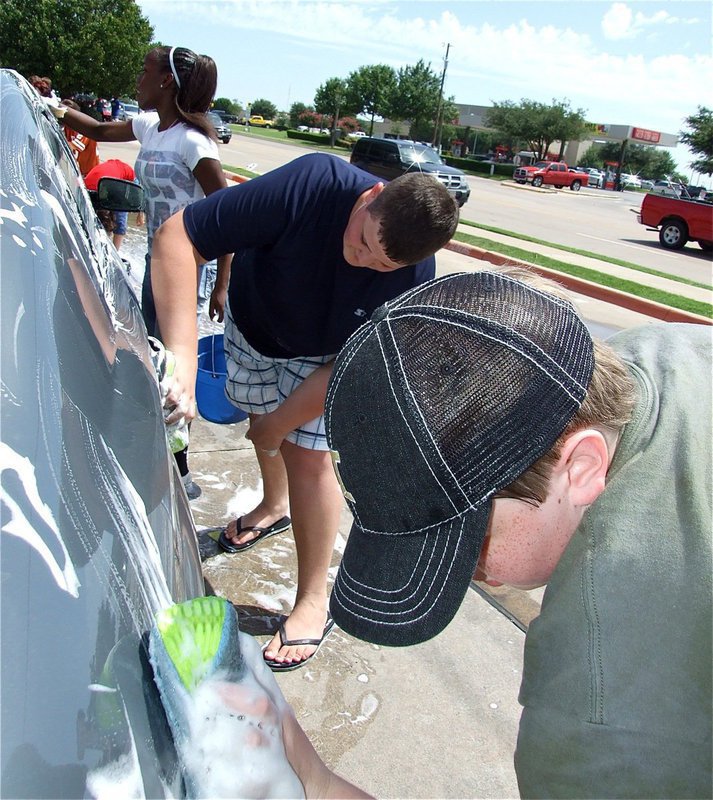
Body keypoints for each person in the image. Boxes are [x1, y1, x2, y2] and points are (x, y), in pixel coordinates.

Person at [293, 267, 708, 798]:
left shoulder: (604, 716)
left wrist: (316, 782)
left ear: (580, 468)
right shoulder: (654, 351)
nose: (470, 574)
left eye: (470, 539)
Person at [149, 153, 460, 670]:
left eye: (380, 265)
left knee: (307, 456)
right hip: (253, 327)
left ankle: (314, 600)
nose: (360, 261)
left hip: (326, 359)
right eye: (361, 241)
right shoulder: (312, 183)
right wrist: (181, 357)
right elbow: (176, 239)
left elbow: (347, 367)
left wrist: (280, 423)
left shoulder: (415, 277)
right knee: (260, 425)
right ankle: (275, 505)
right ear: (369, 197)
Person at [54, 45, 231, 501]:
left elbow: (228, 215)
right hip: (157, 261)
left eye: (145, 71)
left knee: (171, 364)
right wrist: (52, 107)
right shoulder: (151, 127)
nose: (138, 79)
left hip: (186, 268)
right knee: (151, 356)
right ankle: (155, 447)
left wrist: (222, 284)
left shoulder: (194, 143)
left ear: (166, 81)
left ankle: (179, 469)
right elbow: (94, 128)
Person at [83, 158, 144, 250]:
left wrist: (141, 212)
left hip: (126, 176)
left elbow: (120, 223)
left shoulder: (116, 191)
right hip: (104, 178)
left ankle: (116, 252)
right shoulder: (85, 192)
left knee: (120, 220)